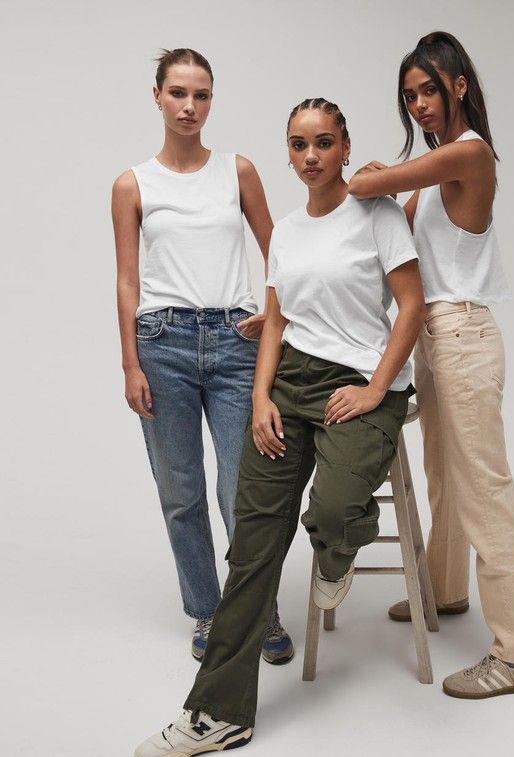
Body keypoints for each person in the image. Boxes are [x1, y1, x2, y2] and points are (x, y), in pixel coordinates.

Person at [133, 97, 426, 757]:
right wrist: (261, 396)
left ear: (345, 146)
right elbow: (277, 319)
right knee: (253, 545)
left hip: (361, 384)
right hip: (290, 384)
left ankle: (337, 551)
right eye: (299, 144)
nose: (311, 155)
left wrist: (377, 388)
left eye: (324, 142)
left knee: (334, 509)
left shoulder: (378, 215)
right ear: (289, 154)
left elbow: (410, 306)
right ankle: (218, 713)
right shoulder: (288, 232)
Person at [348, 31, 514, 699]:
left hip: (462, 333)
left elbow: (366, 185)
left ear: (459, 85)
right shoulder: (434, 175)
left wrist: (379, 173)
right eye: (410, 95)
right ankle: (446, 588)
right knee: (443, 476)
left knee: (484, 490)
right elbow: (391, 230)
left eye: (429, 89)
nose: (419, 104)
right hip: (433, 338)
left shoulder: (469, 153)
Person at [111, 48, 293, 665]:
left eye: (202, 95)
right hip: (161, 343)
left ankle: (257, 609)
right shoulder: (133, 184)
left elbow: (280, 253)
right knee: (181, 491)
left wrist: (274, 314)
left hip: (235, 343)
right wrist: (131, 363)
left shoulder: (237, 171)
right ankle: (207, 611)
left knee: (243, 490)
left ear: (212, 100)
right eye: (178, 93)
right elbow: (127, 280)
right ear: (157, 97)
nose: (190, 106)